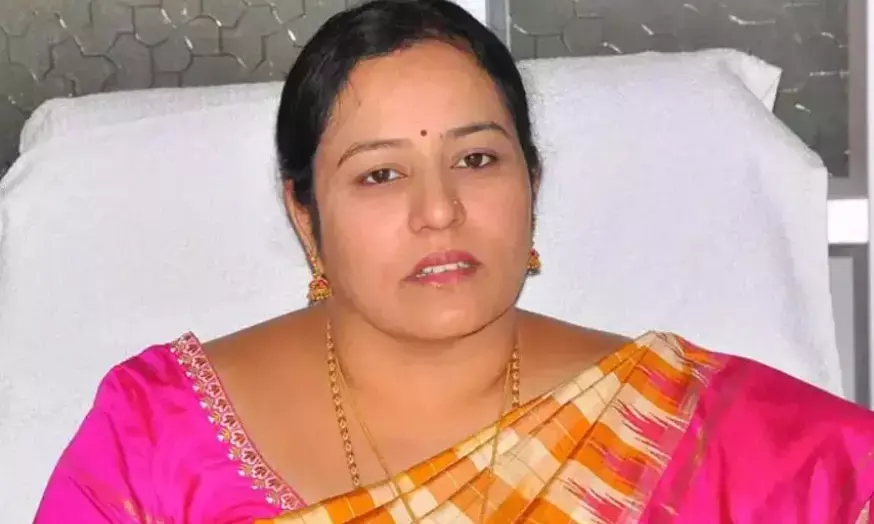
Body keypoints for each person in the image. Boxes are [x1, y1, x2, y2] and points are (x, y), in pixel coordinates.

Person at [34, 0, 874, 522]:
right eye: (380, 174)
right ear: (305, 214)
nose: (438, 210)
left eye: (477, 160)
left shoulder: (697, 434)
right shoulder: (154, 438)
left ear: (531, 181)